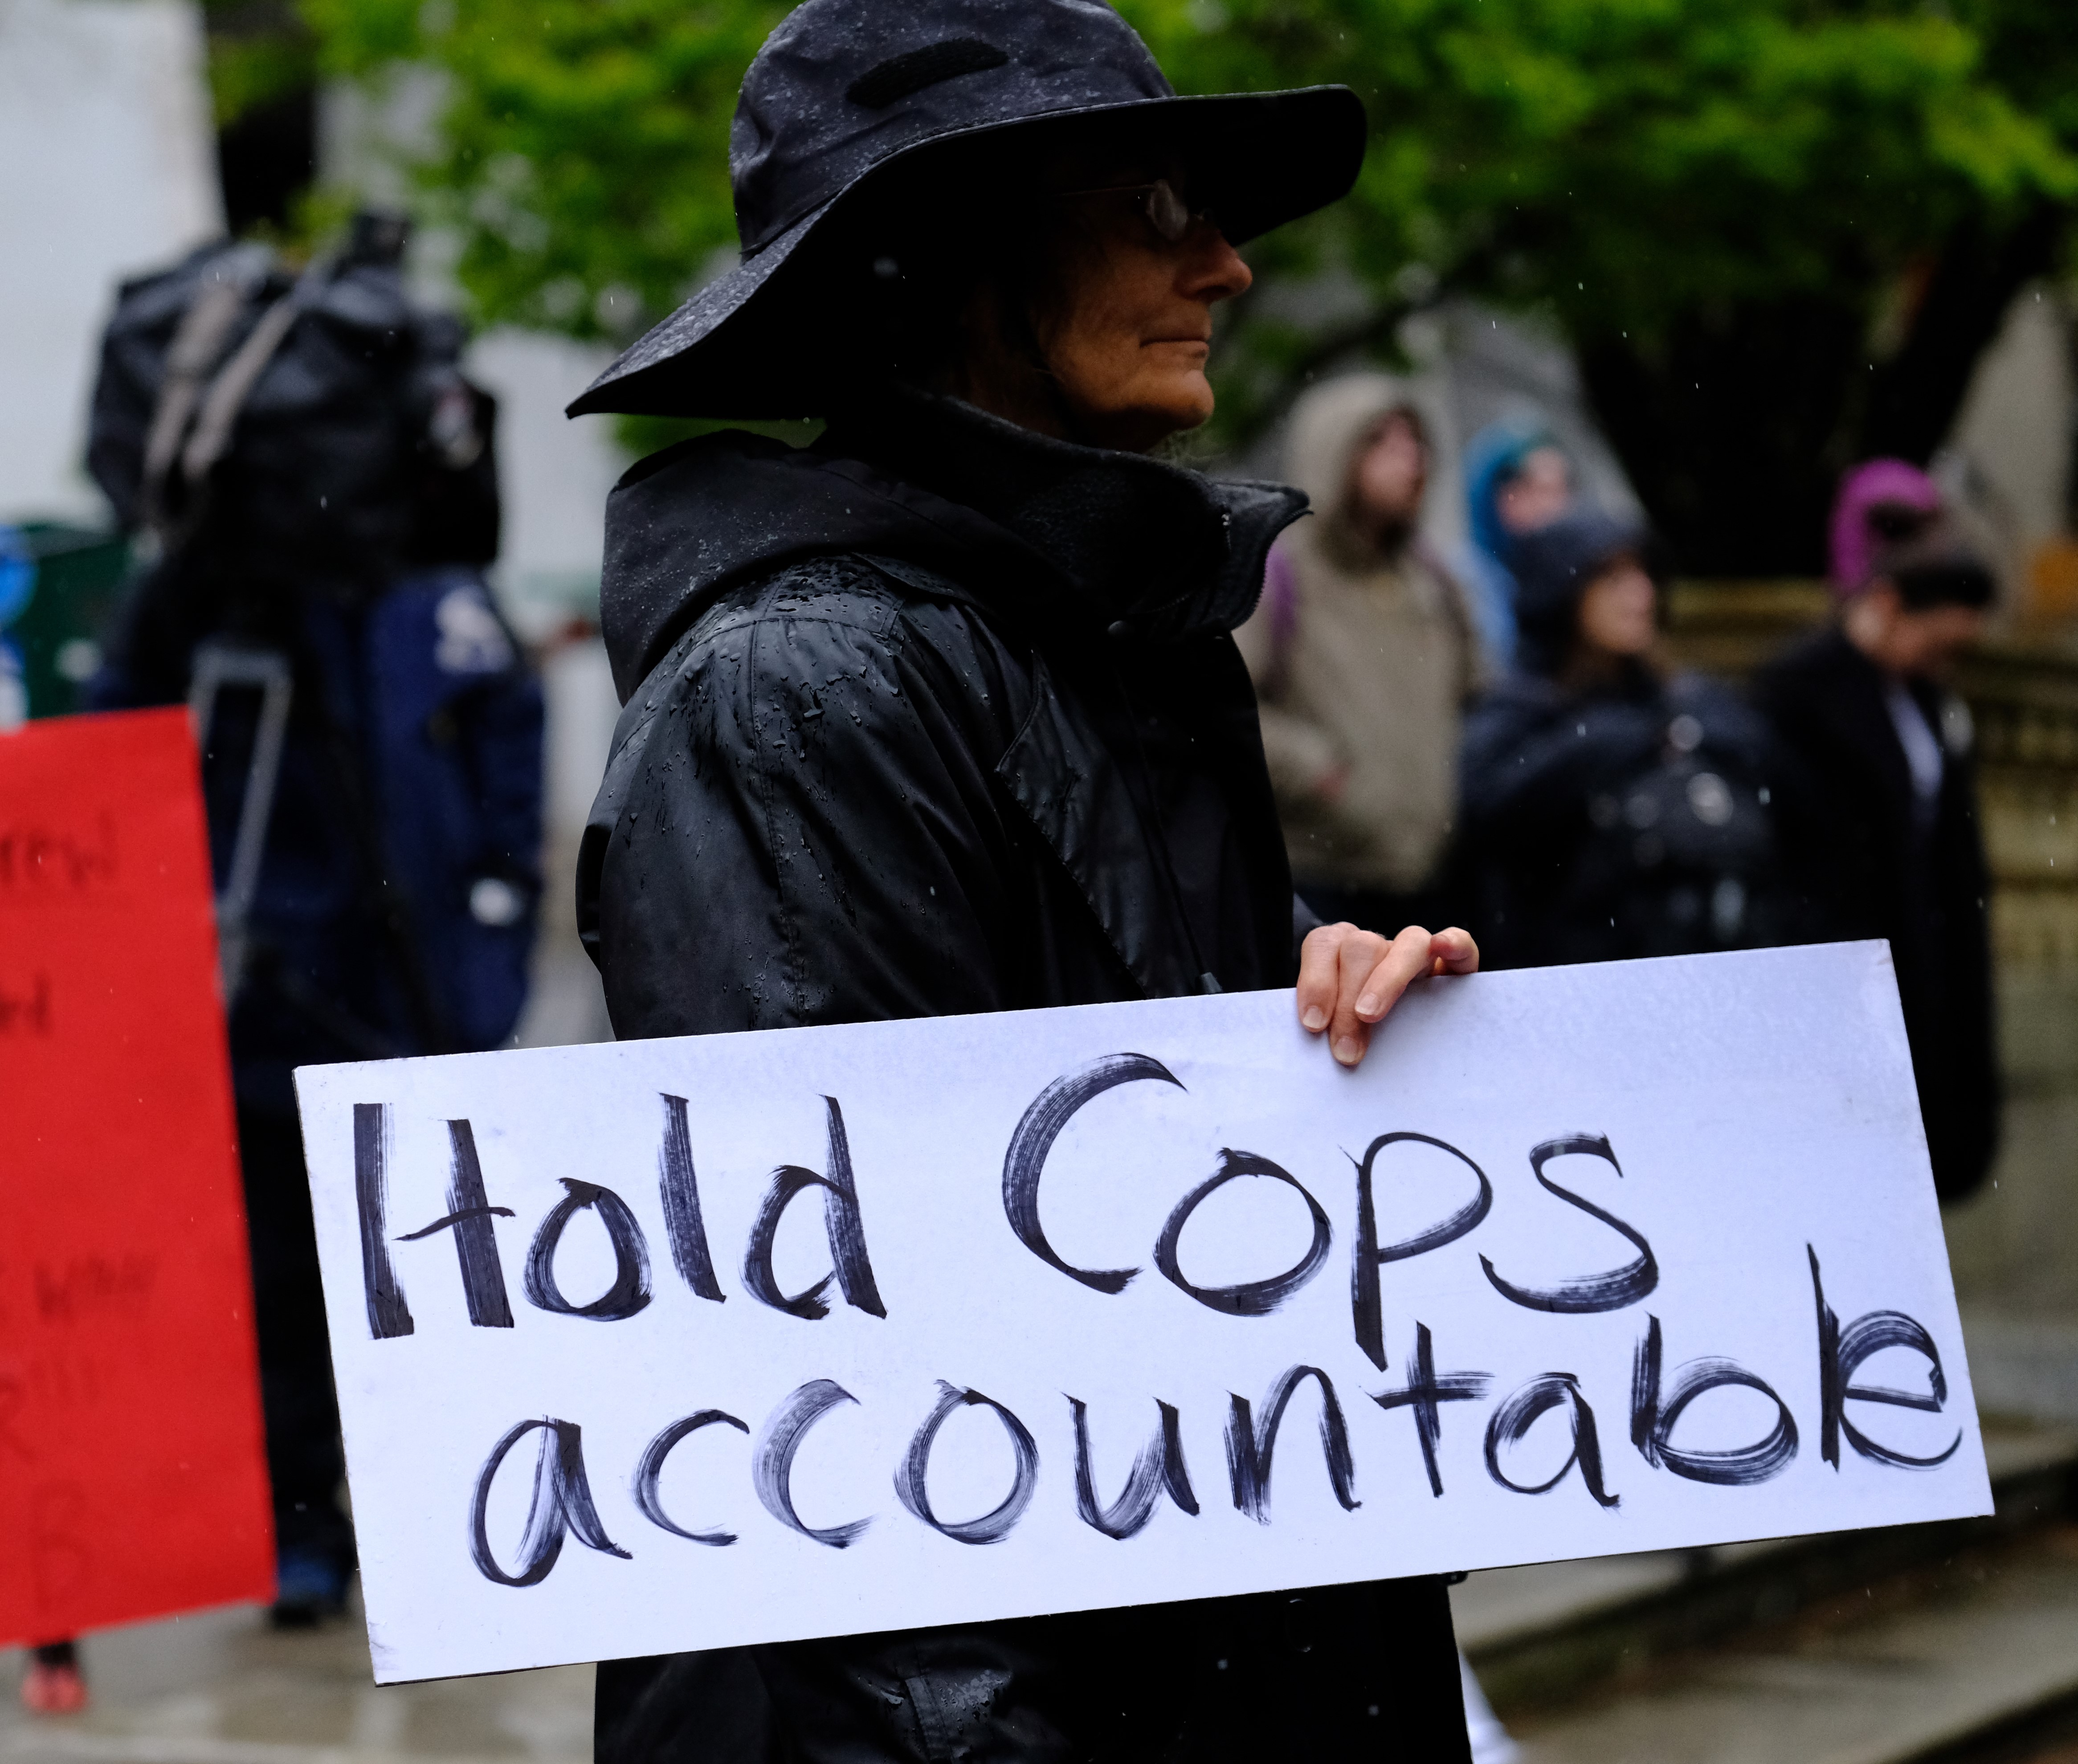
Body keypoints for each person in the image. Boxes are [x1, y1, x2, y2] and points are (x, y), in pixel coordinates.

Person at [570, 0, 1481, 1757]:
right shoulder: (803, 688)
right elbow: (847, 1403)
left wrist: (1324, 997)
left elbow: (1100, 1018)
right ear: (942, 260)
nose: (1222, 266)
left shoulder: (1096, 634)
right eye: (1146, 205)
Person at [82, 212, 543, 1628]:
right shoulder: (242, 600)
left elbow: (500, 771)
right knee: (304, 1273)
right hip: (293, 1000)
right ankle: (323, 1524)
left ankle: (367, 1518)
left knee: (357, 1272)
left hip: (340, 996)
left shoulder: (378, 598)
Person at [1755, 464, 1998, 1201]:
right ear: (1889, 606)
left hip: (1924, 984)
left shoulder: (1924, 702)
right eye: (1937, 642)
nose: (1943, 662)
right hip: (1846, 990)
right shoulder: (1797, 697)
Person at [1458, 509, 1789, 970]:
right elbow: (1492, 813)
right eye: (1612, 578)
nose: (1640, 595)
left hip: (1710, 969)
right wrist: (1618, 744)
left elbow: (1773, 777)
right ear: (1563, 592)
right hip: (1573, 978)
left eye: (1643, 574)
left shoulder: (1691, 703)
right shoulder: (1521, 712)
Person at [1237, 373, 1481, 935]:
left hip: (1429, 877)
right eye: (1381, 441)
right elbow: (1221, 710)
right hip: (1319, 878)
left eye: (1414, 442)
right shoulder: (1277, 574)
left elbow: (1476, 699)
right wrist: (1322, 773)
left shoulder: (1434, 580)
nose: (1409, 459)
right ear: (1333, 453)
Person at [1454, 418, 1574, 666]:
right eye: (1538, 490)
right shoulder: (1460, 582)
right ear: (1493, 496)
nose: (1555, 507)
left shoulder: (1574, 581)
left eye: (1562, 490)